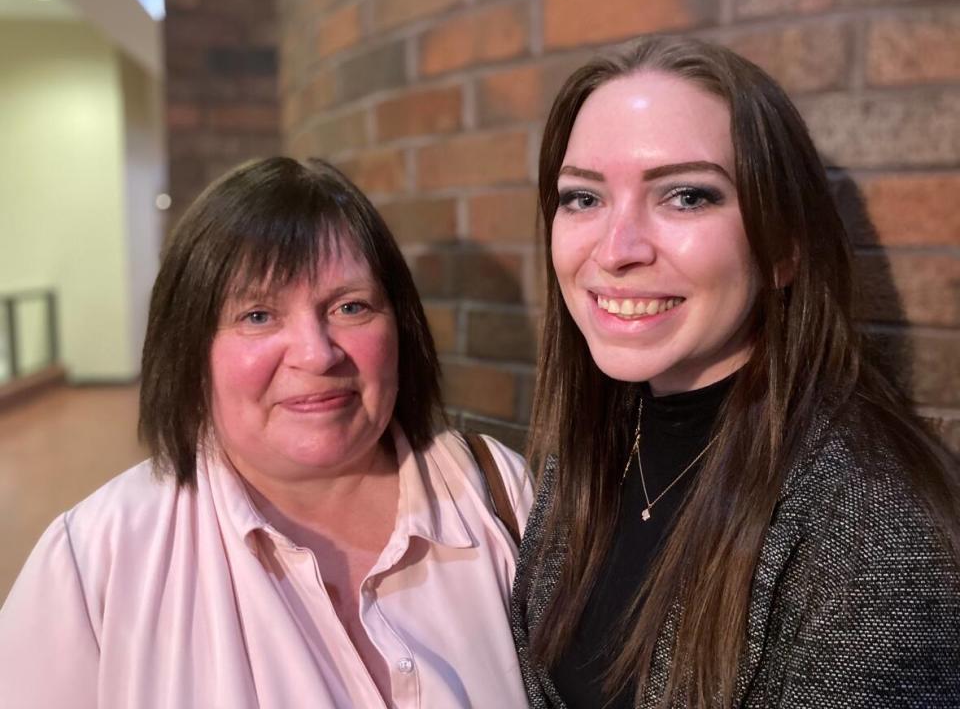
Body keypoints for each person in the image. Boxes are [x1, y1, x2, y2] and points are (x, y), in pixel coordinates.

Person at [511, 36, 960, 709]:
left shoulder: (873, 532)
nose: (616, 250)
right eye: (583, 198)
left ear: (783, 248)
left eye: (687, 196)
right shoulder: (601, 438)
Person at [0, 157, 532, 708]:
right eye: (258, 315)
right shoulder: (97, 560)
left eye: (351, 306)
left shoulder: (498, 494)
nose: (317, 353)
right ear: (188, 348)